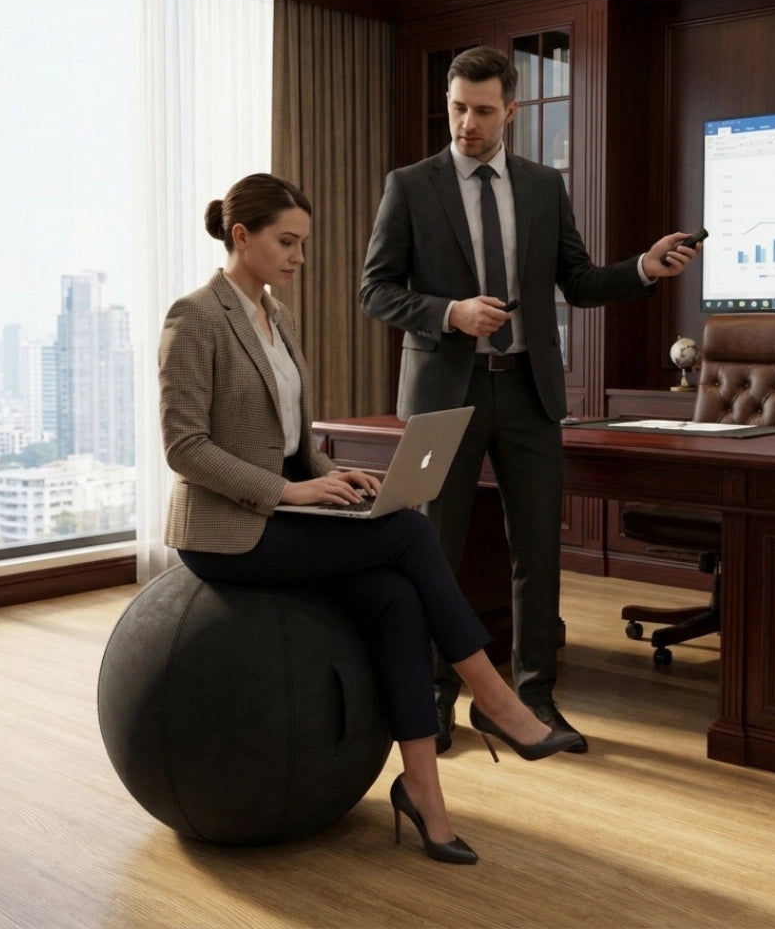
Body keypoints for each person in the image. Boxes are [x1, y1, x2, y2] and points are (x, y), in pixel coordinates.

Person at [159, 172, 581, 866]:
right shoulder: (195, 317)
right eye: (287, 242)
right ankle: (499, 703)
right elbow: (185, 449)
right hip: (227, 534)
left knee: (394, 597)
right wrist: (289, 494)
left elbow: (293, 442)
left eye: (303, 243)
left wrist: (334, 476)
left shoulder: (278, 316)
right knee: (411, 533)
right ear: (242, 236)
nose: (299, 257)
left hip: (284, 510)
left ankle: (424, 796)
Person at [359, 46, 700, 754]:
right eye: (458, 107)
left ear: (510, 111)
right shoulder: (411, 185)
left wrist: (642, 267)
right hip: (439, 397)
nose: (466, 123)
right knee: (432, 550)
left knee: (538, 550)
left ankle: (533, 699)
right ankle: (433, 696)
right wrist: (450, 313)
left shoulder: (543, 186)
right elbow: (375, 290)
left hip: (527, 390)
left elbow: (575, 281)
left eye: (483, 110)